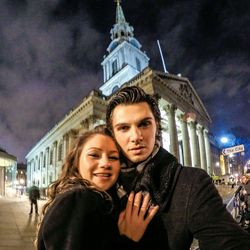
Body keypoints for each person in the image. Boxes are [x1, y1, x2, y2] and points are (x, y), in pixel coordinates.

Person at [106, 86, 250, 249]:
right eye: (124, 128)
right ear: (112, 133)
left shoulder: (191, 184)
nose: (136, 137)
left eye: (144, 124)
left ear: (157, 125)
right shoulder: (98, 185)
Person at [36, 127, 159, 250]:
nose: (105, 163)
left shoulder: (99, 199)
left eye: (113, 157)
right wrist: (129, 239)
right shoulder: (78, 199)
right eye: (94, 155)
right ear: (76, 162)